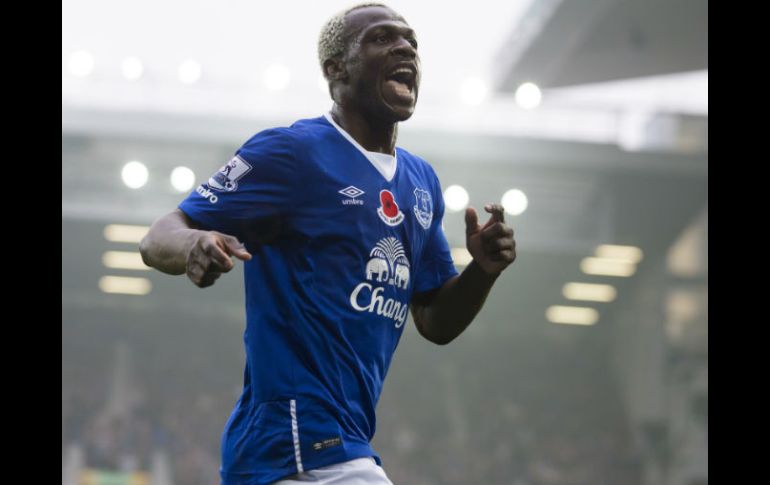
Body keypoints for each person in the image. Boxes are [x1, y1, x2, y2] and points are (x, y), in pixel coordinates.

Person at [139, 3, 516, 484]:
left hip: (327, 447)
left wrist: (482, 271)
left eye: (411, 41)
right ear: (336, 69)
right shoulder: (292, 152)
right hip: (296, 441)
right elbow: (158, 236)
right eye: (382, 38)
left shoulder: (421, 183)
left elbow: (435, 320)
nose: (405, 48)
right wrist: (194, 242)